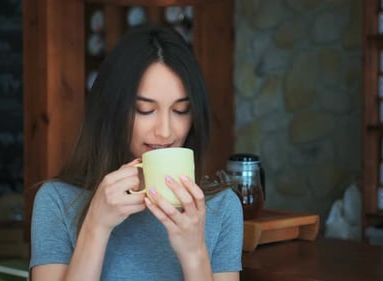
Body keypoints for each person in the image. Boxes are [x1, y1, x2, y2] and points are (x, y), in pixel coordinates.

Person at [30, 24, 243, 281]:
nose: (165, 131)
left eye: (180, 111)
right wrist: (95, 226)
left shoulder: (222, 208)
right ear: (113, 110)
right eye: (145, 110)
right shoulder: (57, 201)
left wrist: (194, 252)